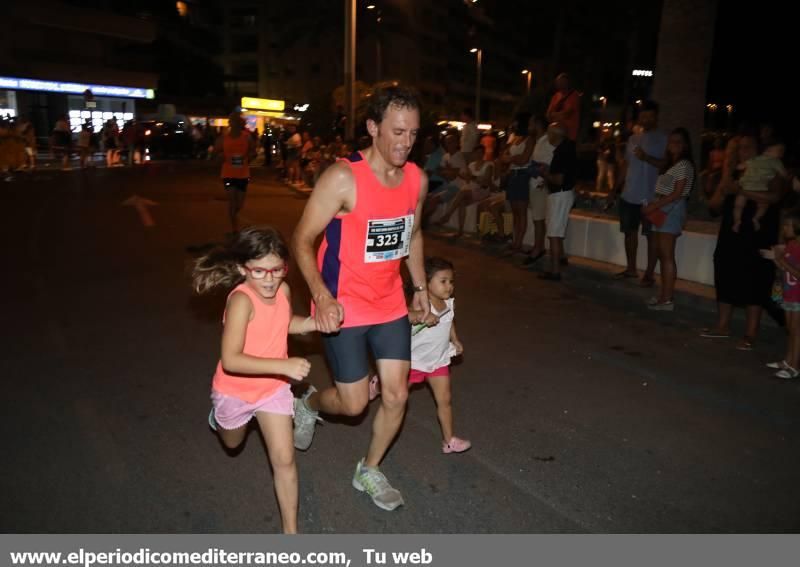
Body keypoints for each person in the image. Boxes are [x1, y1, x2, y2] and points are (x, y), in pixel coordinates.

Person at [291, 86, 429, 511]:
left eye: (413, 134)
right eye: (397, 132)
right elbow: (302, 238)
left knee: (396, 395)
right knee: (352, 406)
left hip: (389, 302)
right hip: (343, 303)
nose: (405, 143)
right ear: (373, 128)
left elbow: (414, 234)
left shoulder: (416, 179)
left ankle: (368, 468)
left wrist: (420, 288)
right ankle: (309, 403)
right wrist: (321, 294)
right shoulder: (342, 177)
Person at [192, 226, 317, 533]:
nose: (270, 279)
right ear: (241, 269)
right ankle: (219, 420)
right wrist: (284, 364)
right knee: (232, 443)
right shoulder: (241, 301)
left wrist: (314, 322)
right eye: (259, 271)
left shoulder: (283, 291)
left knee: (285, 460)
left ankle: (291, 532)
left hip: (272, 389)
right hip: (235, 391)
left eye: (277, 270)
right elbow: (232, 359)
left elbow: (284, 324)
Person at [369, 257, 470, 453]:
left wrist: (455, 340)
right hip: (414, 362)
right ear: (426, 282)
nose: (449, 286)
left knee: (445, 400)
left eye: (451, 281)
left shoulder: (449, 303)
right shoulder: (420, 304)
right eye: (443, 281)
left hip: (438, 360)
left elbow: (449, 323)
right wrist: (421, 316)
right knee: (394, 393)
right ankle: (378, 385)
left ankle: (449, 440)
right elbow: (403, 315)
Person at [701, 134, 785, 351]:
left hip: (759, 232)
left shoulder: (769, 168)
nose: (742, 152)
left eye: (747, 147)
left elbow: (775, 197)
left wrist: (742, 191)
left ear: (758, 148)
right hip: (732, 231)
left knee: (755, 278)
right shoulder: (734, 171)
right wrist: (723, 182)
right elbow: (714, 207)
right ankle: (722, 326)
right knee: (725, 271)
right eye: (738, 149)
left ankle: (751, 332)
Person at [607, 100, 668, 286]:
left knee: (651, 236)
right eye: (643, 116)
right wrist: (615, 189)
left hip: (651, 197)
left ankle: (649, 273)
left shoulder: (663, 138)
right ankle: (631, 269)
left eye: (650, 116)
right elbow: (625, 165)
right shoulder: (633, 139)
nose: (646, 119)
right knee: (629, 233)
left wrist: (647, 157)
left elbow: (666, 165)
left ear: (656, 117)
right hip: (629, 194)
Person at [642, 128, 696, 310]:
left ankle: (666, 299)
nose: (673, 145)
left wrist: (654, 206)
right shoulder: (671, 164)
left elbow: (677, 193)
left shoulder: (684, 165)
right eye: (671, 141)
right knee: (661, 253)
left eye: (678, 142)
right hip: (663, 208)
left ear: (685, 144)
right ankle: (663, 296)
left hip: (671, 210)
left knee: (666, 255)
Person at [539, 122, 577, 281]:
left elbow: (559, 179)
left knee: (554, 234)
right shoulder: (567, 149)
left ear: (555, 135)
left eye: (549, 133)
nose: (547, 136)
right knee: (557, 231)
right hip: (563, 194)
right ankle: (559, 261)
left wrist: (545, 174)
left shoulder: (562, 152)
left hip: (560, 194)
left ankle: (555, 271)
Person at [764, 214, 800, 379]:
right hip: (789, 293)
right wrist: (774, 259)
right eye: (784, 225)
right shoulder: (789, 245)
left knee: (796, 331)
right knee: (790, 330)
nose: (784, 228)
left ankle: (794, 366)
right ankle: (788, 360)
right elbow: (785, 269)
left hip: (797, 295)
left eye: (788, 225)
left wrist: (779, 259)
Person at [215, 111, 256, 234]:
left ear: (240, 124)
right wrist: (219, 155)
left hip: (243, 174)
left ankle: (234, 217)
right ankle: (234, 228)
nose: (234, 124)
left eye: (237, 122)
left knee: (239, 204)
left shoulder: (246, 137)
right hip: (228, 173)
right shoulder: (224, 138)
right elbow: (215, 151)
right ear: (230, 123)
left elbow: (253, 151)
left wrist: (249, 157)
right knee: (232, 201)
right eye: (232, 122)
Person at [733, 141, 787, 233]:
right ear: (767, 151)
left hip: (748, 187)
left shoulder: (757, 159)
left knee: (738, 205)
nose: (782, 153)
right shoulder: (776, 162)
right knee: (762, 206)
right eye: (780, 151)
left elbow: (741, 166)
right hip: (759, 188)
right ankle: (754, 219)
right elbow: (783, 173)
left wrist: (739, 167)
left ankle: (738, 221)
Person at [499, 113, 534, 254]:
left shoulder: (530, 139)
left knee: (521, 211)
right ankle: (515, 241)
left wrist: (510, 158)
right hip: (513, 176)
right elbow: (502, 157)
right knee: (514, 212)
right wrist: (514, 158)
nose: (513, 125)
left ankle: (518, 242)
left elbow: (524, 160)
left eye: (515, 123)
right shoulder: (514, 138)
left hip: (522, 176)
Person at [546, 73, 580, 142]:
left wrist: (554, 114)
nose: (560, 84)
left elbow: (567, 114)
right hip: (556, 134)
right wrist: (558, 114)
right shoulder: (555, 96)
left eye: (562, 82)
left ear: (567, 83)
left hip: (569, 134)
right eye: (558, 82)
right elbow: (548, 114)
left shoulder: (574, 95)